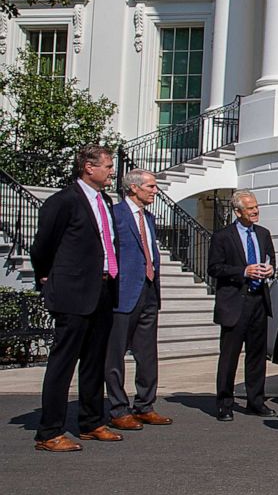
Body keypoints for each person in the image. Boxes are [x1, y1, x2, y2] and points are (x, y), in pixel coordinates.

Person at [31, 144, 123, 452]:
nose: (112, 171)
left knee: (95, 363)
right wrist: (46, 274)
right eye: (108, 166)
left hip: (103, 290)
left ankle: (91, 422)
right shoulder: (64, 201)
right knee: (63, 363)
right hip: (73, 293)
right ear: (88, 167)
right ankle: (49, 432)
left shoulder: (106, 201)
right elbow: (43, 245)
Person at [105, 168, 173, 431]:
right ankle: (118, 409)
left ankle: (145, 405)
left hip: (148, 291)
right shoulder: (116, 215)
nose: (155, 191)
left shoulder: (150, 218)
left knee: (147, 353)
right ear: (134, 188)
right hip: (123, 294)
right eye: (151, 186)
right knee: (115, 355)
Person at [208, 189, 276, 421]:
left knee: (257, 355)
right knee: (230, 356)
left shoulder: (264, 234)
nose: (255, 211)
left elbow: (271, 260)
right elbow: (214, 268)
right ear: (238, 212)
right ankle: (224, 404)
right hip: (235, 302)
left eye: (256, 207)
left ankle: (255, 401)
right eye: (250, 208)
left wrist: (270, 270)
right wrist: (243, 271)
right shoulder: (222, 237)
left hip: (259, 300)